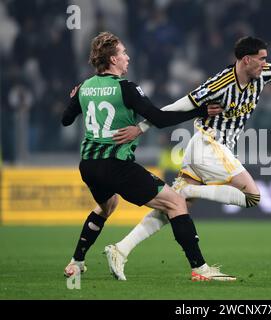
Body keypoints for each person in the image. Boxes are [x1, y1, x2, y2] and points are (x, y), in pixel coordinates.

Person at [106, 36, 271, 280]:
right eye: (261, 59)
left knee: (172, 207)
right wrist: (141, 128)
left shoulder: (263, 75)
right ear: (246, 60)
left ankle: (120, 249)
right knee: (252, 196)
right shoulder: (219, 84)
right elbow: (179, 105)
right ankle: (186, 194)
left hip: (203, 147)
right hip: (210, 145)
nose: (266, 63)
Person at [62, 31, 235, 281]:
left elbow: (66, 120)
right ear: (112, 60)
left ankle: (76, 262)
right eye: (123, 53)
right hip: (116, 165)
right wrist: (200, 110)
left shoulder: (85, 88)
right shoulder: (127, 89)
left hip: (89, 165)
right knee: (176, 202)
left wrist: (74, 98)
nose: (128, 58)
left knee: (106, 206)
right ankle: (200, 268)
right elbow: (160, 119)